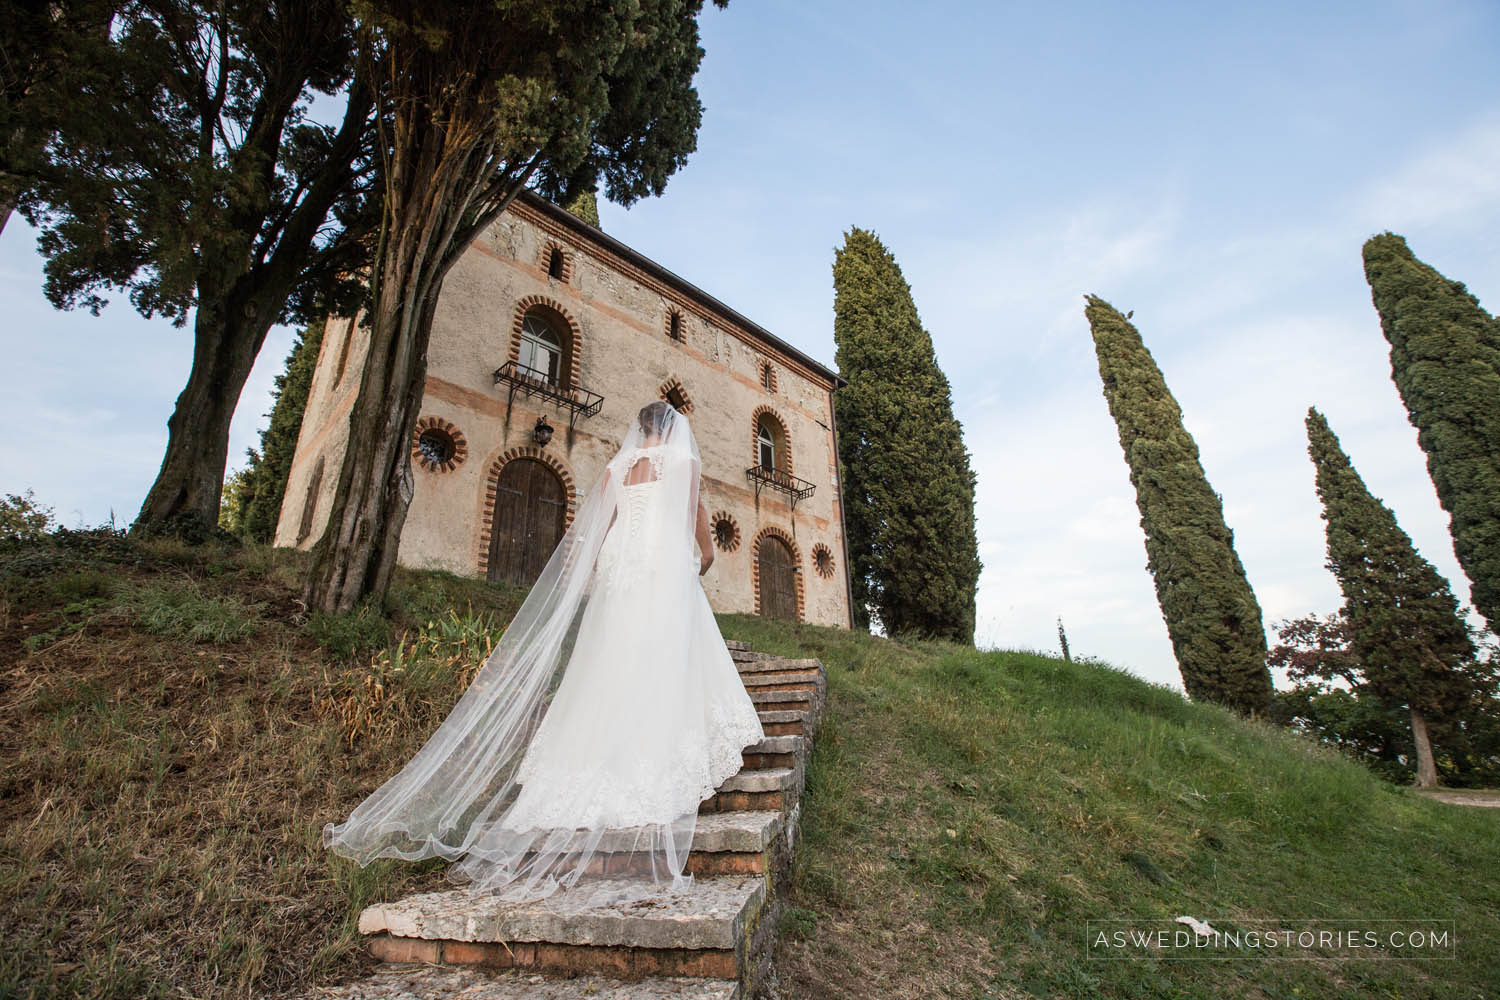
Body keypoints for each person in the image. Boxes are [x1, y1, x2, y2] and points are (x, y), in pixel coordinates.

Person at [322, 401, 765, 911]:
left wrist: (598, 570)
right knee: (662, 648)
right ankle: (660, 741)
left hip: (621, 562)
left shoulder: (617, 467)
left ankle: (600, 752)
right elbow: (693, 514)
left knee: (611, 659)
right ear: (670, 428)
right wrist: (705, 555)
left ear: (637, 428)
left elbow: (600, 525)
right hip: (659, 560)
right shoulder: (683, 463)